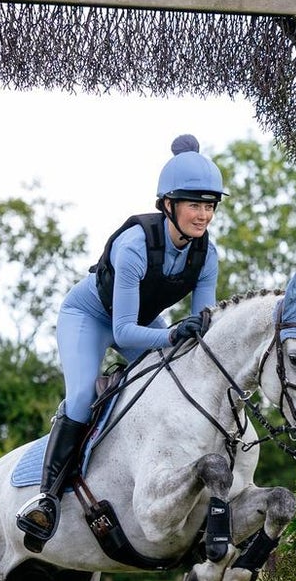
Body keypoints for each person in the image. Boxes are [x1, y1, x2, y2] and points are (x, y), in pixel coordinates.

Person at [16, 134, 224, 546]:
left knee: (175, 383)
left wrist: (194, 336)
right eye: (194, 205)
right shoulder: (133, 246)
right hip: (92, 318)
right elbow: (125, 331)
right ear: (168, 205)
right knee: (79, 399)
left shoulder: (206, 255)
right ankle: (46, 499)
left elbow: (203, 323)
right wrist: (170, 334)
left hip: (143, 323)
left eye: (209, 206)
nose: (203, 215)